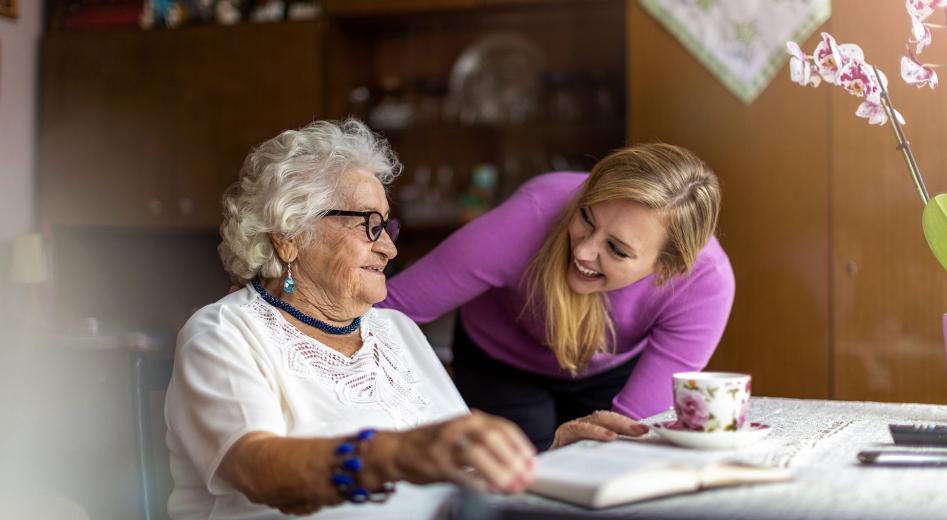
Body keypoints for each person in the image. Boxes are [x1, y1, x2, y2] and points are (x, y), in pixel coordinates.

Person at [164, 119, 649, 519]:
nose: (389, 247)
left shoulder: (392, 330)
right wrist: (393, 454)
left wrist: (547, 456)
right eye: (368, 224)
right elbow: (257, 468)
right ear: (289, 235)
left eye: (388, 225)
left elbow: (459, 472)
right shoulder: (225, 334)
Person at [379, 143, 735, 450]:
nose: (584, 251)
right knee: (512, 485)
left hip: (610, 370)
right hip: (501, 361)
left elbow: (631, 435)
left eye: (616, 249)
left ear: (667, 267)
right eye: (587, 218)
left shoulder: (705, 284)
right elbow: (386, 309)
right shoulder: (532, 214)